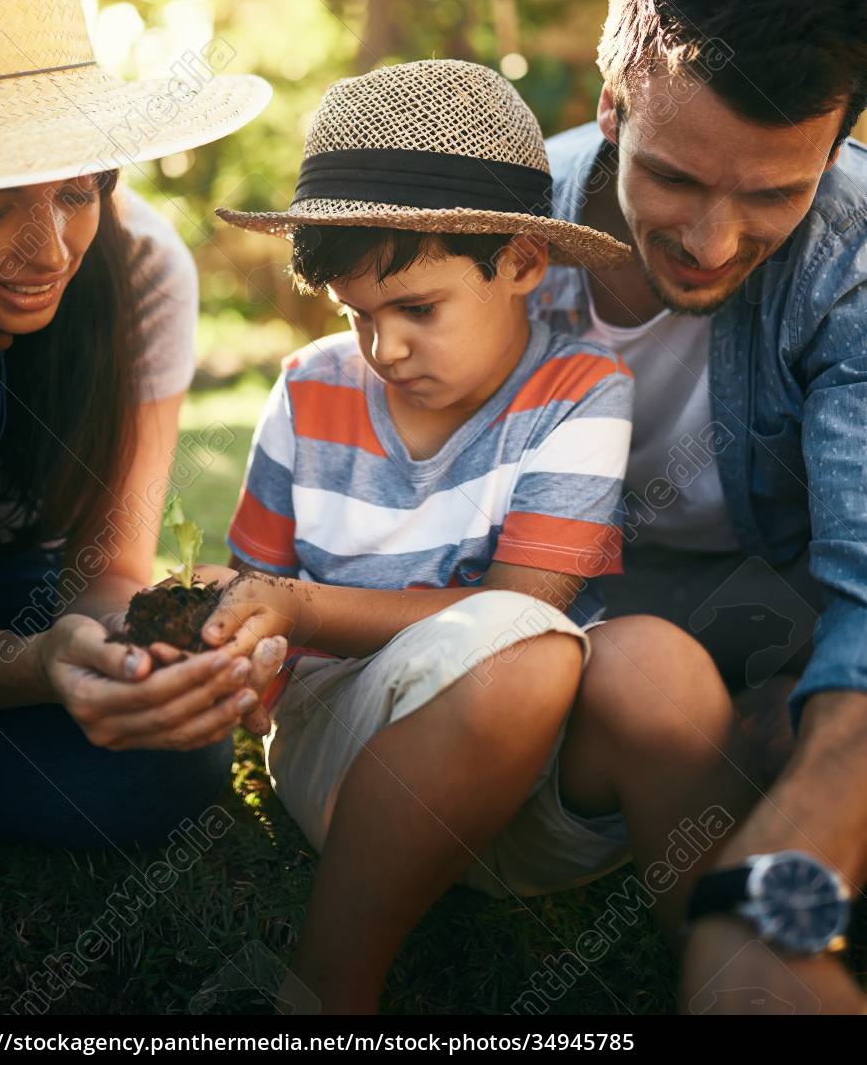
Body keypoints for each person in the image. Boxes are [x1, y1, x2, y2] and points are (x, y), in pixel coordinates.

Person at [181, 58, 761, 1015]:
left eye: (418, 309)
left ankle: (733, 966)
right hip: (358, 759)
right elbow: (262, 587)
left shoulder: (580, 389)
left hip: (538, 790)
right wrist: (243, 649)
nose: (385, 349)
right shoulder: (309, 389)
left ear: (525, 264)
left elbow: (525, 608)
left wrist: (302, 605)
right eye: (358, 316)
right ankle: (327, 991)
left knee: (652, 659)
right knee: (526, 665)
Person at [532, 0, 867, 1013]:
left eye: (772, 192)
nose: (710, 240)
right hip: (573, 619)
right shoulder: (503, 223)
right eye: (672, 177)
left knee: (805, 732)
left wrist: (775, 899)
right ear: (613, 102)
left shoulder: (855, 249)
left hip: (786, 602)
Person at [0, 0, 271, 849]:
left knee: (168, 766)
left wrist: (100, 657)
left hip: (30, 594)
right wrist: (33, 670)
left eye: (79, 192)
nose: (50, 253)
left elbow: (106, 569)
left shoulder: (144, 269)